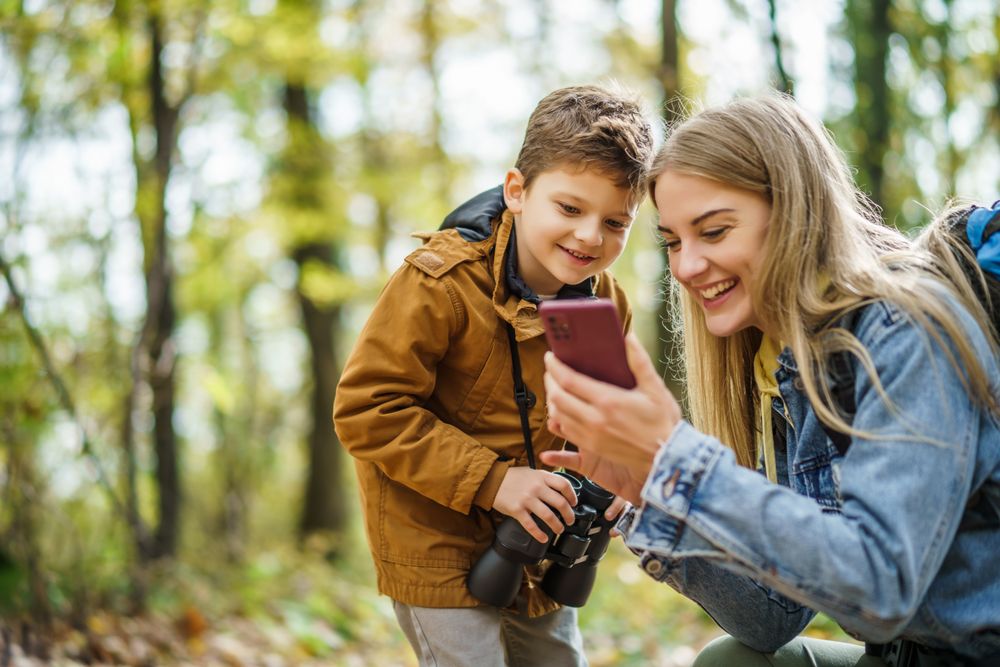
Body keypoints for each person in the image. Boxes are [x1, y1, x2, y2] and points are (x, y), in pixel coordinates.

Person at [539, 94, 1000, 666]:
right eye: (674, 241)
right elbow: (770, 619)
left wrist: (679, 460)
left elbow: (882, 588)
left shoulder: (903, 329)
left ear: (793, 213)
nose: (685, 267)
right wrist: (647, 494)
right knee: (728, 661)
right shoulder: (783, 359)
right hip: (904, 655)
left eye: (713, 232)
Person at [333, 84, 654, 667]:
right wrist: (496, 481)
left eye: (615, 222)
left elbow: (601, 418)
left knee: (558, 658)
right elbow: (365, 410)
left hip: (539, 538)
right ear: (517, 192)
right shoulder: (440, 284)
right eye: (569, 208)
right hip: (435, 535)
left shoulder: (603, 303)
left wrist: (614, 473)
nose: (590, 236)